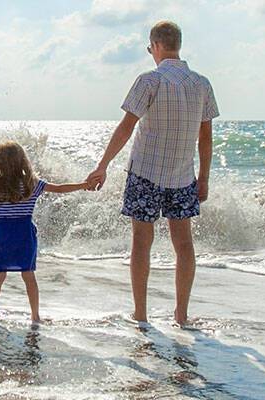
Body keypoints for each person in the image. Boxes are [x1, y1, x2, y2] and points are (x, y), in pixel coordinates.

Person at [84, 20, 219, 326]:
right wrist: (204, 177)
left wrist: (103, 165)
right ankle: (181, 315)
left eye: (150, 48)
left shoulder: (149, 80)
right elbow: (206, 138)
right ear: (178, 45)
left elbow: (126, 128)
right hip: (183, 177)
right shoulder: (202, 84)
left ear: (156, 46)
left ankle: (141, 314)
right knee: (184, 244)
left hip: (145, 173)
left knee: (141, 243)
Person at [0, 142, 94, 324]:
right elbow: (60, 188)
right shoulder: (32, 184)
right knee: (28, 275)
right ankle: (35, 316)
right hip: (24, 235)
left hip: (3, 235)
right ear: (23, 161)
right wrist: (84, 185)